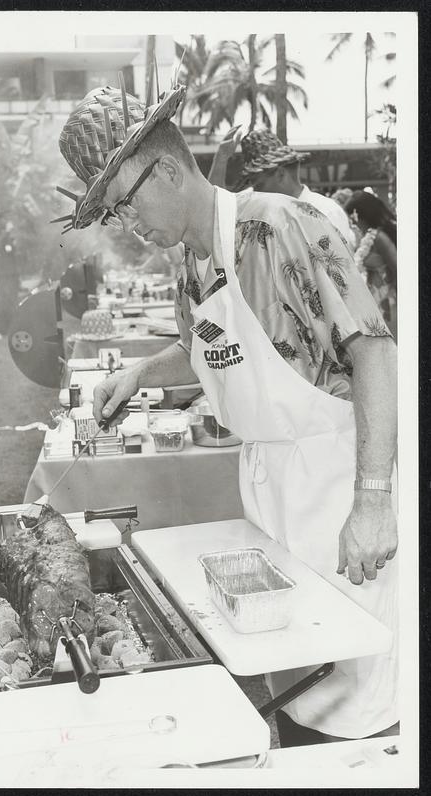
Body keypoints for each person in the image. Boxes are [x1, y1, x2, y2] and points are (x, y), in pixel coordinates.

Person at [54, 82, 398, 746]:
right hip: (273, 502)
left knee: (361, 701)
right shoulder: (194, 262)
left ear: (170, 168)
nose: (128, 225)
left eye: (124, 204)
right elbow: (208, 347)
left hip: (339, 487)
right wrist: (139, 372)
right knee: (296, 685)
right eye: (113, 215)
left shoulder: (282, 226)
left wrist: (374, 499)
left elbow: (374, 350)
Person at [208, 127, 357, 251]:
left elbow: (343, 273)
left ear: (280, 174)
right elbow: (217, 209)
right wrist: (221, 159)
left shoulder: (325, 211)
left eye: (259, 184)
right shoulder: (255, 207)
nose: (255, 190)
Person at [344, 190, 397, 339]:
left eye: (353, 217)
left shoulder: (379, 237)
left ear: (362, 214)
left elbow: (399, 269)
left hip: (386, 305)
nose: (353, 222)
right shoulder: (368, 236)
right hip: (373, 304)